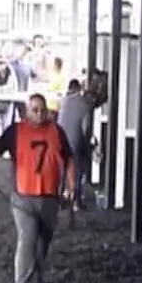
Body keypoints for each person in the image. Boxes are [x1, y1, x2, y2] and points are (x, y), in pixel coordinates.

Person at [0, 94, 77, 283]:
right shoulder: (15, 132)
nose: (39, 114)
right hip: (23, 198)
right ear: (27, 112)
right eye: (34, 110)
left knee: (43, 241)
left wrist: (71, 184)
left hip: (50, 198)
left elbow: (68, 157)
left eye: (41, 110)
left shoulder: (57, 132)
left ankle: (37, 276)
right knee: (27, 238)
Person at [56, 79, 95, 208]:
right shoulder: (85, 106)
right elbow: (85, 129)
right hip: (75, 141)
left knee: (62, 170)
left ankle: (59, 198)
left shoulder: (64, 101)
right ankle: (76, 200)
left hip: (60, 140)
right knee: (77, 170)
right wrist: (88, 144)